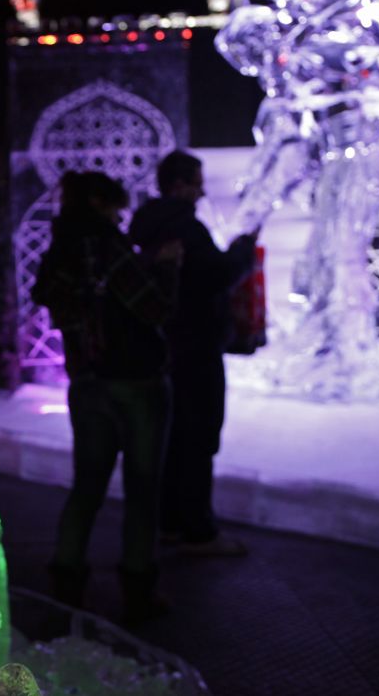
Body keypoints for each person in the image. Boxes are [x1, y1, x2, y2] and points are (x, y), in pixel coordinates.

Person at [32, 171, 181, 623]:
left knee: (87, 488)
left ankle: (67, 585)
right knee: (141, 488)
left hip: (87, 382)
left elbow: (53, 301)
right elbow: (155, 308)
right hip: (136, 383)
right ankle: (138, 589)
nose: (120, 216)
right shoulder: (109, 248)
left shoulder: (58, 254)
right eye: (116, 208)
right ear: (100, 203)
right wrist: (167, 267)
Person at [130, 151, 257, 557]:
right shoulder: (185, 228)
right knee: (198, 437)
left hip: (165, 347)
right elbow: (215, 276)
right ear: (181, 184)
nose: (202, 190)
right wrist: (242, 252)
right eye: (197, 182)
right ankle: (198, 531)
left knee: (174, 437)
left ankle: (170, 523)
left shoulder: (151, 226)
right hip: (196, 348)